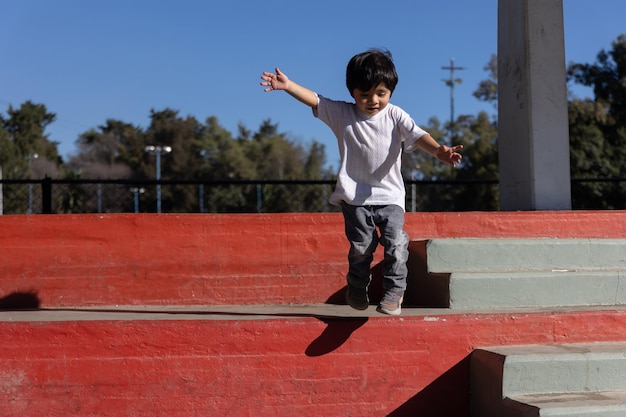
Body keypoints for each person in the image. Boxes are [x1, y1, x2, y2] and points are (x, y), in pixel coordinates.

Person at [260, 49, 462, 315]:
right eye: (364, 95)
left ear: (390, 91)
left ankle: (394, 292)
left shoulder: (396, 116)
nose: (373, 101)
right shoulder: (343, 114)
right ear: (352, 92)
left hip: (390, 197)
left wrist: (439, 151)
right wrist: (288, 86)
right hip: (355, 199)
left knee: (396, 243)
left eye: (381, 94)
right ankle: (356, 288)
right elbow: (316, 100)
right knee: (361, 248)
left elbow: (418, 135)